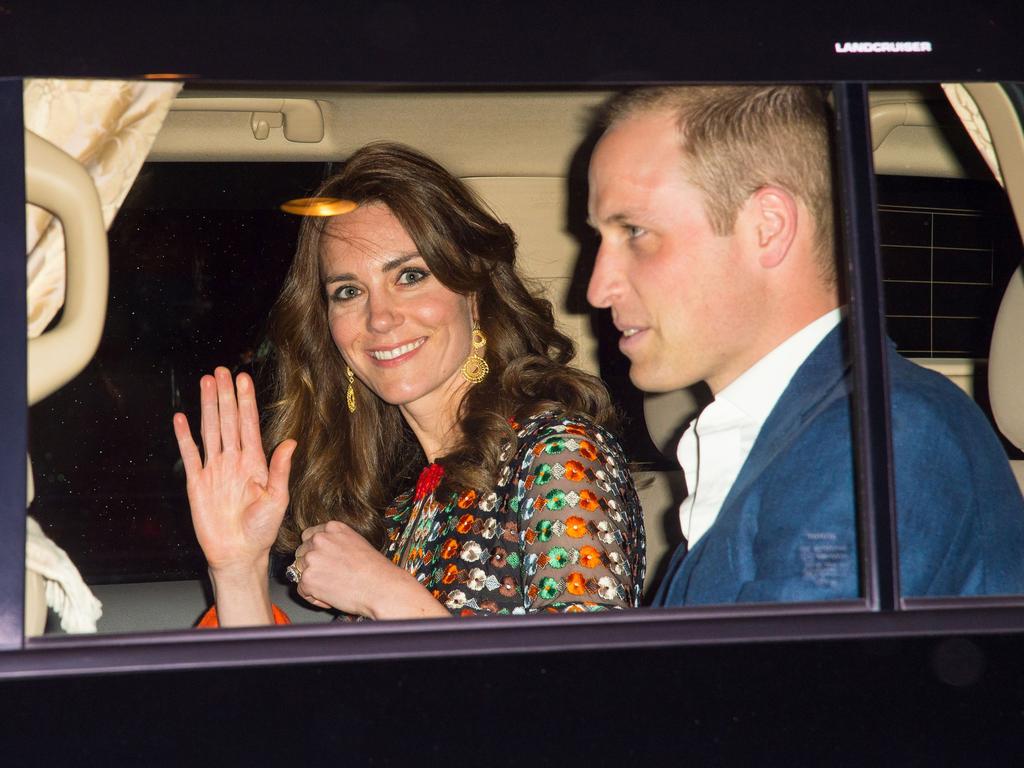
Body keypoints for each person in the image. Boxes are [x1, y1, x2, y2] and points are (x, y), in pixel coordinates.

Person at [585, 85, 1024, 604]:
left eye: (635, 230)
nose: (596, 288)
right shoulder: (794, 435)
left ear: (768, 228)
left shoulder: (881, 439)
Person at [173, 142, 644, 625]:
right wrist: (238, 566)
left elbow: (587, 687)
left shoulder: (559, 456)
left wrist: (386, 596)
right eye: (349, 291)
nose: (379, 318)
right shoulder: (401, 513)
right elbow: (281, 701)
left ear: (474, 294)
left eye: (410, 276)